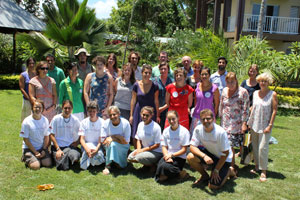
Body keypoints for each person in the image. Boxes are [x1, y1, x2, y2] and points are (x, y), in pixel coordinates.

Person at [187, 109, 235, 189]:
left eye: (208, 118)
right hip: (211, 154)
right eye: (203, 119)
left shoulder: (220, 132)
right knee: (190, 157)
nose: (206, 121)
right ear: (200, 120)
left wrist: (216, 170)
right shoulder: (198, 129)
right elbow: (192, 146)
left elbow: (225, 153)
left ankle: (229, 171)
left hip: (223, 159)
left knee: (213, 186)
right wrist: (204, 156)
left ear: (213, 119)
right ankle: (205, 176)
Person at [247, 72, 278, 182]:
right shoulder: (255, 93)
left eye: (265, 81)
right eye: (261, 81)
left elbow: (274, 111)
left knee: (262, 148)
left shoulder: (272, 94)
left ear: (268, 82)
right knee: (255, 147)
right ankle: (256, 166)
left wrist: (270, 125)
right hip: (254, 124)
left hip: (265, 125)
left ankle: (263, 171)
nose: (263, 83)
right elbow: (253, 107)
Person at [219, 72, 249, 168]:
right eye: (228, 82)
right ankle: (230, 165)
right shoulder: (224, 90)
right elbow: (221, 105)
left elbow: (246, 109)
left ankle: (231, 166)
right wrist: (219, 116)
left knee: (231, 145)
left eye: (232, 81)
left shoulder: (243, 92)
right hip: (225, 122)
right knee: (227, 145)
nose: (230, 84)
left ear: (236, 81)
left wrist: (244, 123)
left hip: (237, 124)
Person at [155, 110, 190, 182]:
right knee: (160, 171)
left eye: (173, 119)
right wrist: (167, 156)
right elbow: (164, 146)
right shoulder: (166, 131)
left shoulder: (184, 131)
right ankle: (177, 174)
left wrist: (172, 155)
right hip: (167, 156)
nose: (171, 121)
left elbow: (184, 149)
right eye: (169, 119)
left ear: (178, 118)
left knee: (165, 167)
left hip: (179, 157)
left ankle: (181, 173)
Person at [130, 64, 160, 141]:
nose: (147, 75)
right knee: (136, 133)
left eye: (149, 73)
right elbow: (133, 100)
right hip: (139, 111)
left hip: (150, 112)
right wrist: (131, 115)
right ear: (142, 73)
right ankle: (137, 150)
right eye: (146, 72)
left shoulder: (155, 85)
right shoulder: (136, 85)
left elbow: (156, 101)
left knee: (150, 133)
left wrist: (157, 115)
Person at [20, 100, 52, 170]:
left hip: (41, 148)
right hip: (29, 148)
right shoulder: (26, 121)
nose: (38, 109)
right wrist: (35, 152)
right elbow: (25, 139)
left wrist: (44, 149)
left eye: (40, 107)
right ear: (32, 108)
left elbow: (46, 137)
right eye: (36, 107)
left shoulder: (45, 120)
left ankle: (37, 158)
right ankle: (26, 156)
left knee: (48, 164)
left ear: (42, 109)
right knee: (36, 166)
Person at [49, 100, 81, 170]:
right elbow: (51, 135)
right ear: (62, 108)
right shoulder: (56, 119)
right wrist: (58, 149)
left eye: (69, 108)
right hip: (58, 147)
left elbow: (82, 132)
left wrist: (77, 142)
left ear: (72, 109)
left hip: (70, 146)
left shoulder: (75, 119)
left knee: (75, 157)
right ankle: (63, 157)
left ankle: (65, 157)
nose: (67, 110)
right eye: (65, 108)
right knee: (61, 166)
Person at [102, 106, 131, 175]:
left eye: (114, 114)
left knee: (113, 144)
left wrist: (113, 137)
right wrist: (118, 138)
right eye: (110, 115)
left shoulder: (125, 123)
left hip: (123, 145)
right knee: (112, 144)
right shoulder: (105, 123)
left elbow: (126, 141)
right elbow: (103, 140)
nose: (112, 117)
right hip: (109, 145)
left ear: (119, 114)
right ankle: (107, 166)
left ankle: (117, 162)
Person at [191, 67, 220, 133]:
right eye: (202, 74)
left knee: (209, 137)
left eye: (206, 74)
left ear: (209, 75)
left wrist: (214, 115)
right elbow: (196, 100)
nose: (204, 76)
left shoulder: (214, 88)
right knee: (195, 137)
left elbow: (217, 104)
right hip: (197, 116)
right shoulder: (197, 85)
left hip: (209, 117)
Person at [79, 101, 105, 170]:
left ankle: (90, 159)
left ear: (97, 111)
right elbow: (81, 139)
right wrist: (87, 149)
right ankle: (88, 158)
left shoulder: (102, 122)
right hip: (86, 146)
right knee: (90, 153)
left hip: (97, 146)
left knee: (98, 155)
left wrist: (96, 149)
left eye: (94, 111)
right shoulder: (83, 122)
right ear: (87, 111)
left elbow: (101, 139)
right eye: (90, 111)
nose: (92, 113)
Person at [152, 62, 174, 130]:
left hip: (168, 109)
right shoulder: (154, 81)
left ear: (168, 70)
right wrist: (157, 109)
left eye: (165, 69)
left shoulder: (172, 81)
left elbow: (173, 97)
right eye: (161, 69)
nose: (163, 71)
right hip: (155, 109)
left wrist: (163, 108)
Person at [19, 57, 36, 122]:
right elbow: (22, 89)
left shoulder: (37, 74)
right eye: (30, 63)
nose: (31, 65)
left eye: (33, 63)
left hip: (36, 99)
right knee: (26, 118)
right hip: (27, 100)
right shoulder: (23, 75)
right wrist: (29, 99)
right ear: (27, 64)